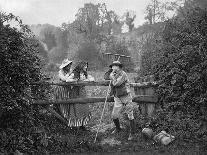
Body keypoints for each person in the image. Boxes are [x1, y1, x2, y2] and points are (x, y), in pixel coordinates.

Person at [55, 59, 94, 131]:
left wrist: (85, 80)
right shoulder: (62, 72)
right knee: (68, 107)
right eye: (68, 65)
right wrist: (76, 80)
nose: (69, 66)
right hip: (63, 90)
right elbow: (66, 79)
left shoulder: (81, 73)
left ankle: (82, 125)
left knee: (82, 107)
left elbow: (91, 78)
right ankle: (70, 124)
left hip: (73, 90)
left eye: (69, 65)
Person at [104, 60, 136, 140]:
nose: (113, 67)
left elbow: (116, 84)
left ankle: (132, 133)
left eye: (115, 66)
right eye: (112, 66)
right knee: (114, 115)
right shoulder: (113, 73)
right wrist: (110, 73)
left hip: (126, 96)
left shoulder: (123, 74)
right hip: (117, 97)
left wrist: (112, 76)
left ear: (119, 67)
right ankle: (118, 128)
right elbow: (105, 77)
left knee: (130, 114)